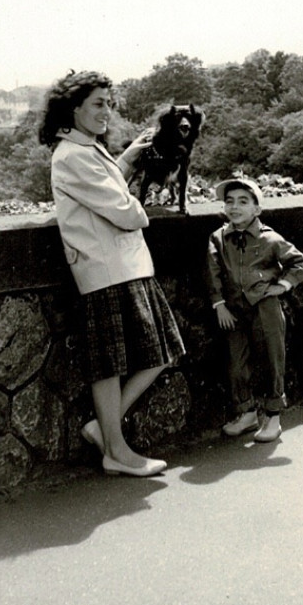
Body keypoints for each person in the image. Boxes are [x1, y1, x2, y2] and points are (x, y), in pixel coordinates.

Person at [39, 70, 185, 477]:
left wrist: (127, 159)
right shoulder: (72, 155)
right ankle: (116, 451)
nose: (107, 111)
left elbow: (106, 188)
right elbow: (124, 210)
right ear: (74, 109)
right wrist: (139, 209)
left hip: (123, 266)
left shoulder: (85, 149)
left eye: (109, 103)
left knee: (158, 352)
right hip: (105, 268)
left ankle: (101, 429)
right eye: (98, 104)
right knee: (110, 366)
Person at [206, 176, 303, 443]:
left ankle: (273, 417)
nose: (235, 207)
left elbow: (300, 262)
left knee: (272, 359)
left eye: (243, 201)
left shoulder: (270, 239)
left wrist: (283, 285)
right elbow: (212, 273)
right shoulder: (218, 238)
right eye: (229, 202)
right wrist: (219, 304)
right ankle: (247, 412)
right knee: (236, 364)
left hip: (265, 309)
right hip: (233, 311)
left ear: (257, 209)